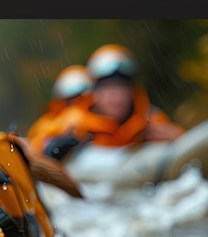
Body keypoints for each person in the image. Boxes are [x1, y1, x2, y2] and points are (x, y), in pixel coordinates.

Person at [28, 44, 185, 162]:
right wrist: (51, 148)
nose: (115, 97)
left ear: (132, 91)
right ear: (95, 93)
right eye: (107, 89)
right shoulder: (75, 122)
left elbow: (187, 146)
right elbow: (37, 143)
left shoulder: (150, 120)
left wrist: (171, 140)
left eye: (121, 88)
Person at [27, 65, 92, 150]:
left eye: (79, 97)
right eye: (69, 99)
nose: (74, 102)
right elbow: (34, 145)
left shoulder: (99, 116)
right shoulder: (48, 122)